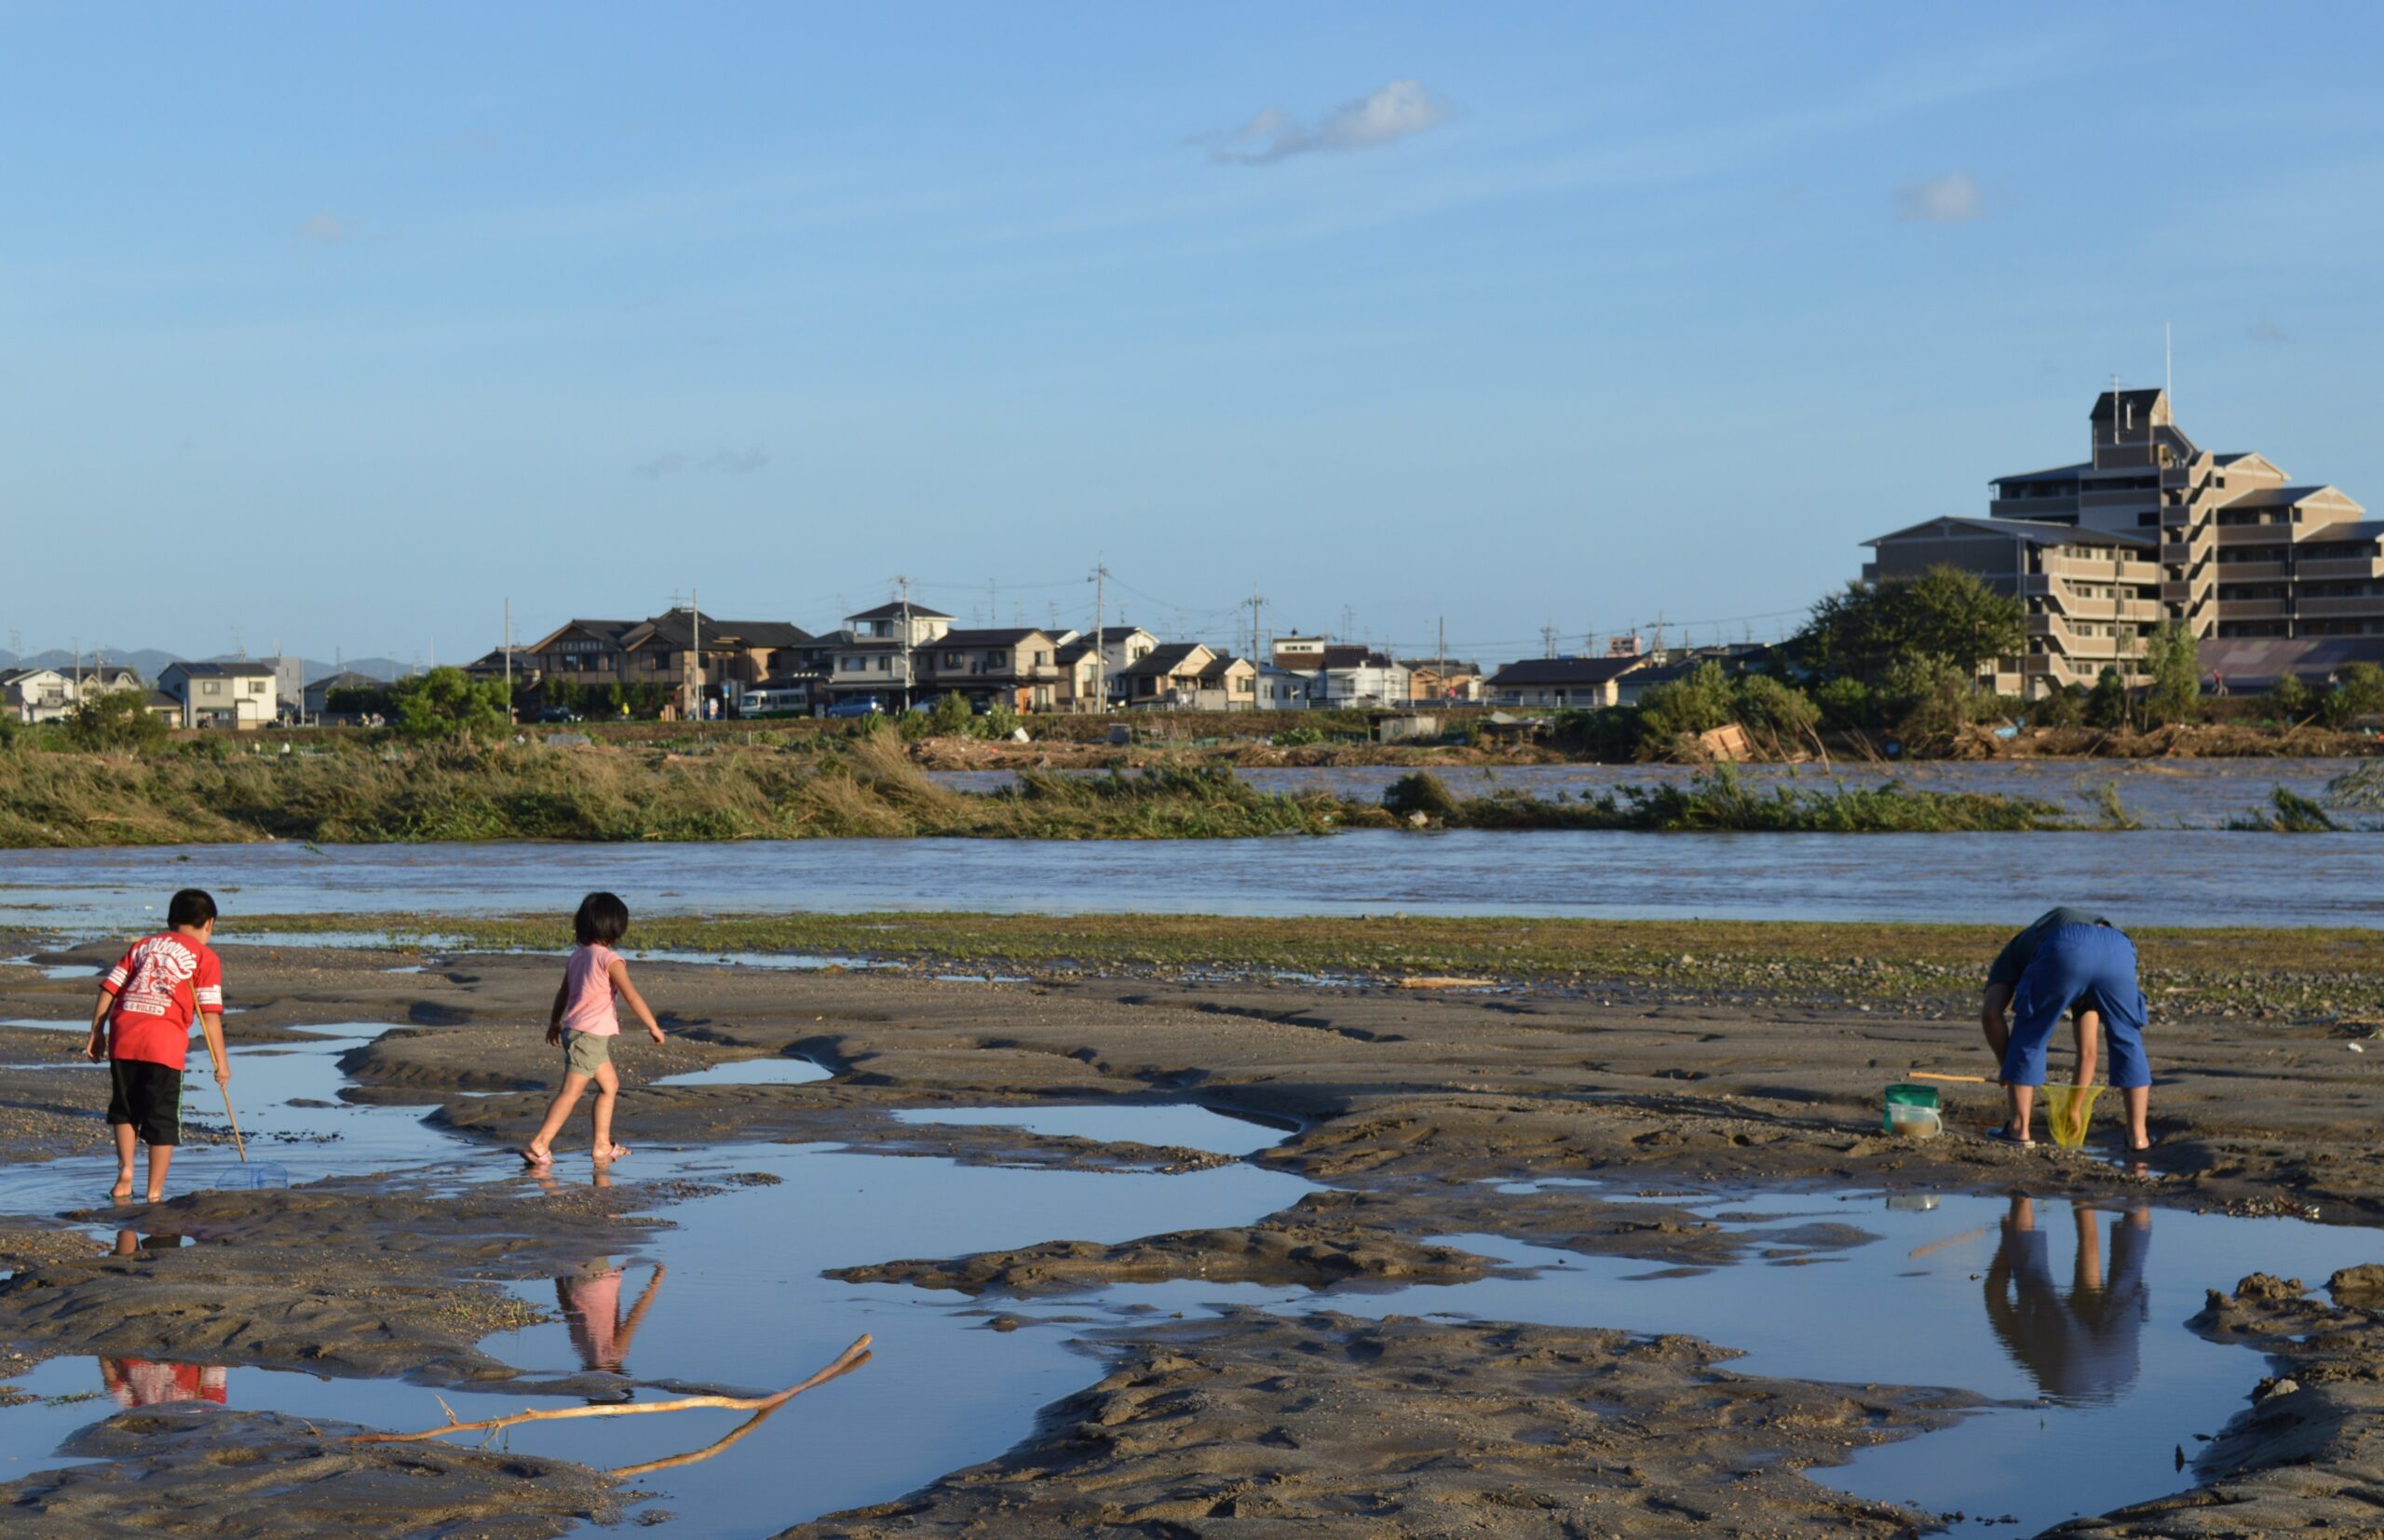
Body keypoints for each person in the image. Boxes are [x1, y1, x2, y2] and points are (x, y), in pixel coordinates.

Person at [84, 888, 230, 1203]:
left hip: (124, 1035)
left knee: (125, 1108)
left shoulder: (143, 946)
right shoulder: (204, 957)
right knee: (162, 1117)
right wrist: (221, 1063)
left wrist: (97, 1030)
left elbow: (110, 987)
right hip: (163, 1044)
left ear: (170, 920)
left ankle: (125, 1173)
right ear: (209, 923)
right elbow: (210, 1016)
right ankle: (154, 1192)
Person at [1981, 907, 2153, 1150]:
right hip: (2117, 947)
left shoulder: (2011, 956)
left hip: (2064, 944)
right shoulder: (2051, 946)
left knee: (2030, 1033)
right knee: (2127, 1038)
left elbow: (1991, 1014)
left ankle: (2018, 1130)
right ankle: (2138, 1137)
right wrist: (2074, 1108)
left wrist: (2007, 1068)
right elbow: (2088, 1052)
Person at [520, 892, 665, 1168]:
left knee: (610, 1085)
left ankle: (601, 1145)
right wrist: (653, 1026)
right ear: (616, 927)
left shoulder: (577, 957)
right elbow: (632, 995)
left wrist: (555, 1022)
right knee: (570, 1092)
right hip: (588, 1037)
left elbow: (563, 994)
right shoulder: (610, 960)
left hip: (578, 1033)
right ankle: (540, 1143)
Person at [1983, 1194, 2151, 1403]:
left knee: (2129, 1271)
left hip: (2122, 1368)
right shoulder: (2024, 1350)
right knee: (2032, 1275)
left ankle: (2137, 1182)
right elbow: (1994, 1296)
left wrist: (2010, 1240)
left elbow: (2090, 1243)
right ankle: (2022, 1194)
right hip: (2066, 1375)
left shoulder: (2031, 1350)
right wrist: (2009, 1241)